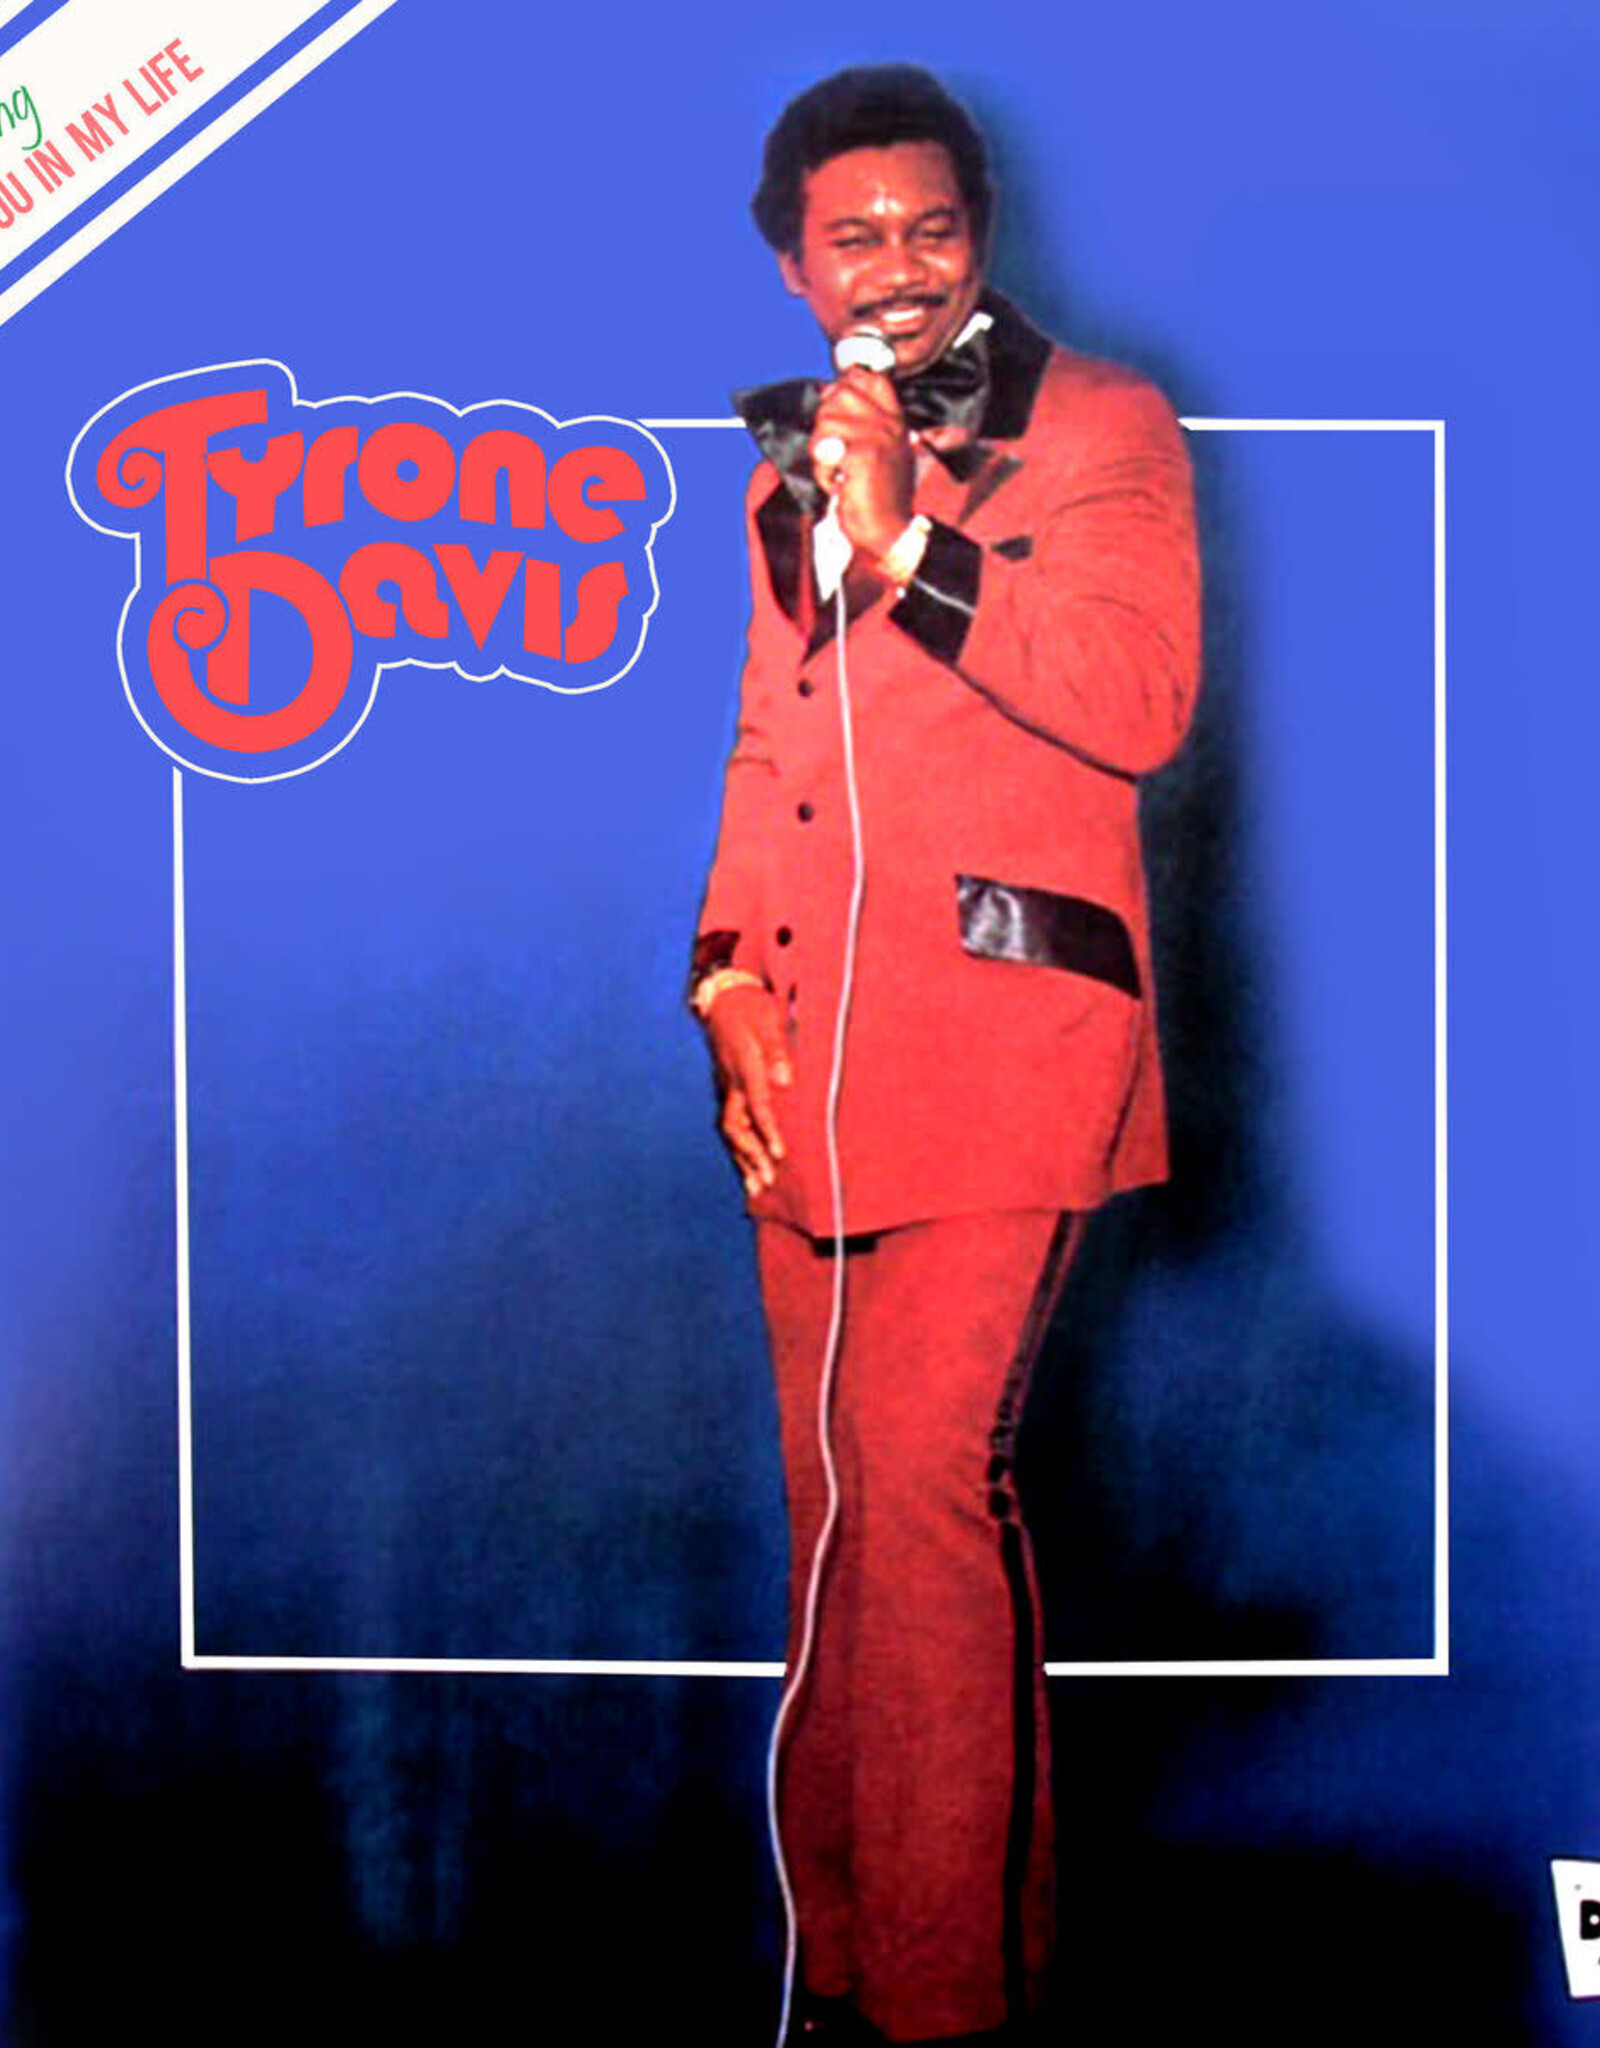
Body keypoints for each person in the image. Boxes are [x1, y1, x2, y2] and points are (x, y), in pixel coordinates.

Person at [690, 65, 1200, 2046]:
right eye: (853, 237)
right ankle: (841, 1971)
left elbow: (1138, 694)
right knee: (834, 1518)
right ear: (792, 264)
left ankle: (943, 2009)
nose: (895, 267)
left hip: (1012, 1043)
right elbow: (770, 752)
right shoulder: (779, 470)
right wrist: (724, 985)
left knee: (915, 1483)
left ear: (980, 234)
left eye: (930, 227)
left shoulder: (1102, 422)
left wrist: (910, 544)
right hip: (810, 1055)